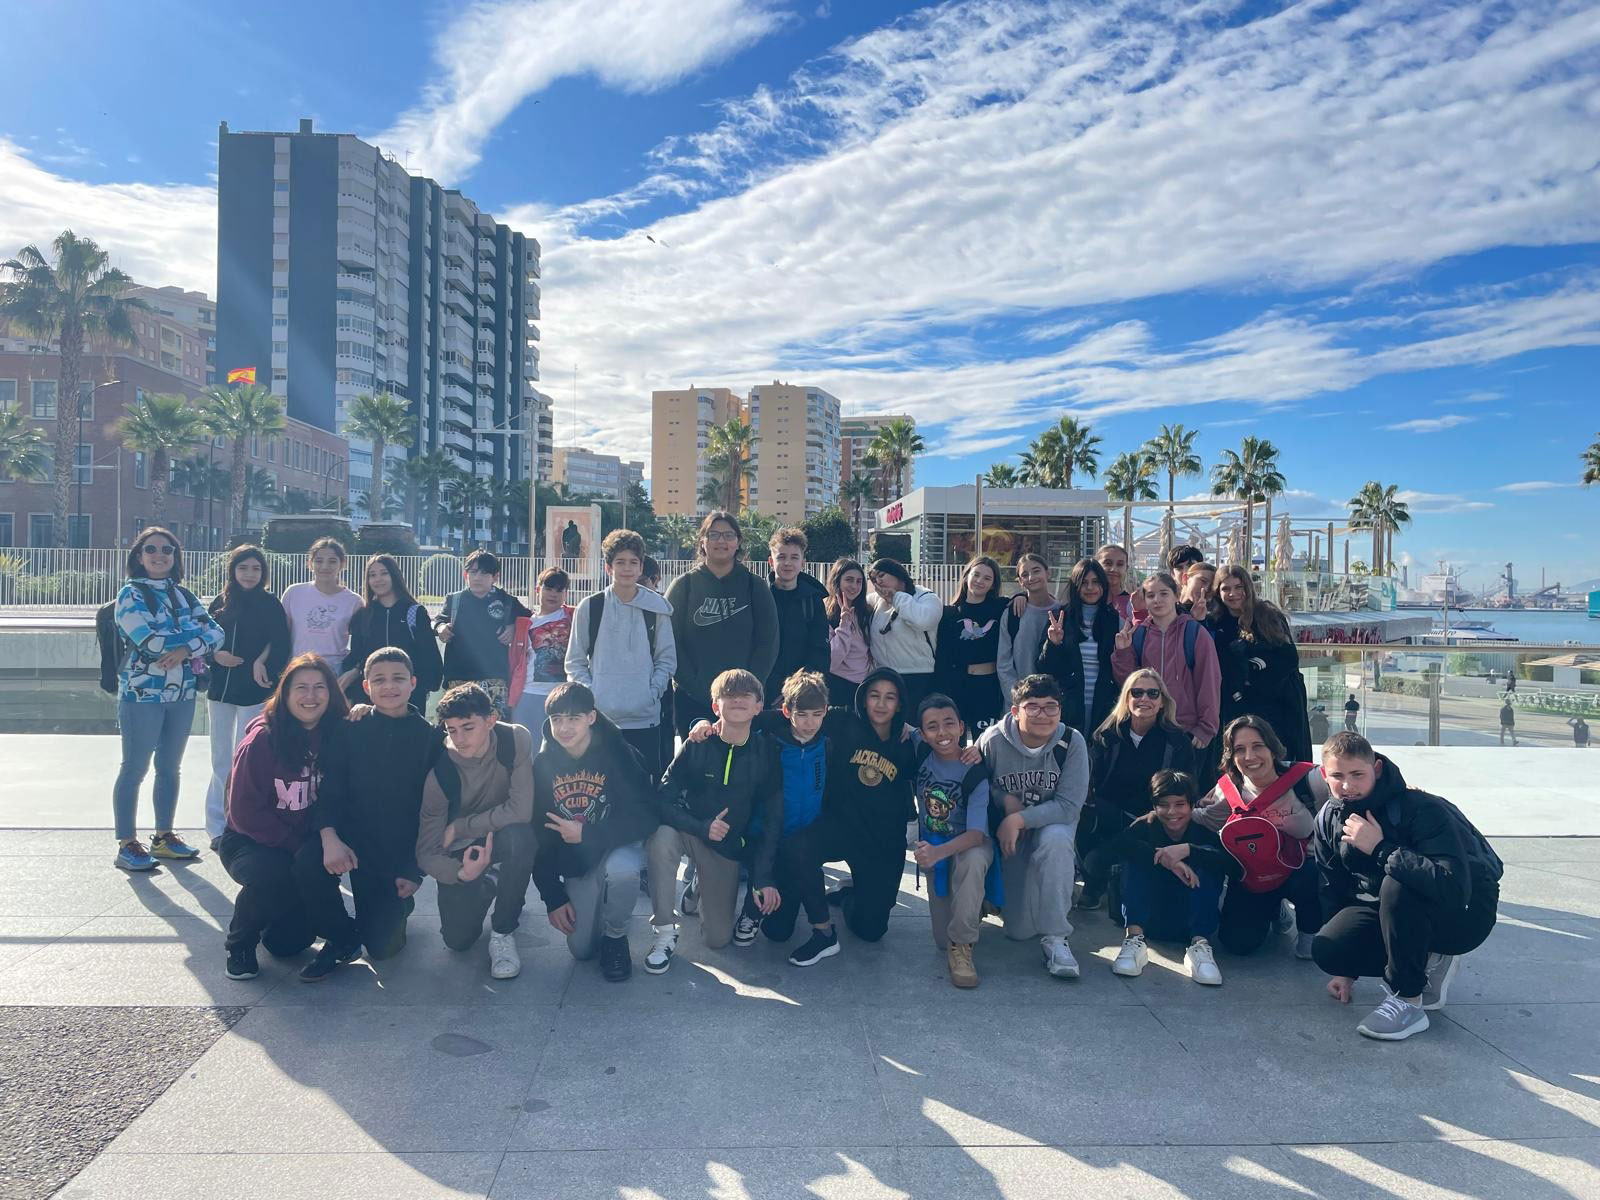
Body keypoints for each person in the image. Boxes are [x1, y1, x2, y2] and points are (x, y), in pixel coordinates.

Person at [1312, 732, 1503, 1041]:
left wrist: (1380, 848)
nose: (1347, 786)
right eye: (1337, 776)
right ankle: (1425, 959)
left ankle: (1407, 1000)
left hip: (1466, 914)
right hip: (1404, 908)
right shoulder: (1329, 819)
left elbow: (1453, 887)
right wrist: (1346, 969)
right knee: (1330, 949)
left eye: (1357, 774)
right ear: (1324, 775)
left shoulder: (1421, 807)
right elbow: (1332, 887)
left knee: (1397, 882)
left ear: (1375, 769)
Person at [298, 648, 440, 975]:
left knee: (382, 949)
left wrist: (413, 869)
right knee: (307, 861)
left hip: (391, 850)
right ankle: (339, 935)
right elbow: (330, 790)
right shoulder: (350, 728)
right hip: (349, 834)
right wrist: (330, 837)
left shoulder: (429, 738)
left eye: (398, 679)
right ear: (366, 687)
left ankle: (399, 905)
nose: (389, 687)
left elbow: (432, 812)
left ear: (413, 683)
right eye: (379, 680)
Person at [688, 671, 840, 965]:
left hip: (801, 838)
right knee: (763, 867)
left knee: (779, 932)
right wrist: (700, 724)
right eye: (802, 714)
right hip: (764, 831)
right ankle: (746, 908)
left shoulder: (827, 741)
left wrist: (909, 729)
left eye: (817, 715)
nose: (809, 722)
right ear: (786, 711)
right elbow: (730, 721)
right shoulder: (769, 738)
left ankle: (816, 927)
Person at [217, 655, 350, 981]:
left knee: (287, 944)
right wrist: (297, 845)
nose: (311, 696)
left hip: (307, 837)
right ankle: (240, 944)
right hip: (251, 841)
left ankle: (298, 923)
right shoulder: (262, 740)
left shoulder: (337, 733)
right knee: (271, 873)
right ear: (285, 694)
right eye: (301, 687)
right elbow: (244, 812)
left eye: (320, 687)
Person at [644, 669, 783, 971]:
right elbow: (662, 798)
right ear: (715, 706)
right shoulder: (698, 743)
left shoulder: (766, 753)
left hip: (725, 847)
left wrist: (763, 878)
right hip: (691, 831)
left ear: (759, 706)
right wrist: (700, 826)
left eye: (745, 695)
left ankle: (698, 885)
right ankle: (665, 932)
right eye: (728, 695)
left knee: (717, 939)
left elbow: (773, 819)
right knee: (660, 839)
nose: (737, 699)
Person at [111, 526, 224, 872]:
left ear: (176, 557)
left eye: (167, 550)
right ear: (139, 555)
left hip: (183, 692)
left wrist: (182, 645)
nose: (160, 555)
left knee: (170, 767)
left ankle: (164, 836)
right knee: (135, 767)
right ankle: (127, 842)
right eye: (151, 549)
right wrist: (189, 640)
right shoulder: (130, 595)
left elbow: (216, 634)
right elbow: (149, 641)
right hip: (141, 693)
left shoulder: (185, 596)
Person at [532, 681, 660, 982]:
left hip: (616, 847)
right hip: (577, 862)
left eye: (573, 718)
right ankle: (600, 905)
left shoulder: (620, 754)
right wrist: (553, 897)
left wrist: (589, 834)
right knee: (581, 950)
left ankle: (617, 936)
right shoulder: (543, 764)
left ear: (591, 717)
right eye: (557, 719)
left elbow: (647, 816)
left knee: (623, 870)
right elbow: (538, 834)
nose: (563, 728)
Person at [414, 683, 538, 979]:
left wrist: (460, 826)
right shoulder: (440, 774)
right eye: (451, 729)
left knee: (523, 839)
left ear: (492, 719)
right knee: (458, 942)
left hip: (503, 831)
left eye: (468, 727)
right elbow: (427, 851)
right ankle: (487, 881)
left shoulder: (515, 739)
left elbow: (521, 811)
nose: (459, 738)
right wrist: (460, 873)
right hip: (462, 852)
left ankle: (503, 931)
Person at [978, 674, 1088, 980]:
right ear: (1016, 711)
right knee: (1019, 931)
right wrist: (1005, 801)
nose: (1043, 714)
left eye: (1051, 707)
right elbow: (978, 788)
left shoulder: (1072, 742)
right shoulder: (993, 741)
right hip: (1011, 838)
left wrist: (1019, 818)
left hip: (1052, 827)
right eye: (1033, 707)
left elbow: (1069, 806)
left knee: (1055, 841)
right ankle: (1040, 895)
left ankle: (1056, 937)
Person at [1195, 714, 1328, 959]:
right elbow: (1202, 819)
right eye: (1239, 749)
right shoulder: (1228, 791)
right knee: (1237, 943)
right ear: (1231, 757)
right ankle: (1275, 910)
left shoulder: (1310, 780)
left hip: (1303, 872)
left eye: (1258, 746)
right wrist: (1157, 815)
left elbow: (1352, 788)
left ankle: (1310, 930)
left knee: (1311, 876)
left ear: (1273, 747)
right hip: (1254, 875)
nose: (1250, 757)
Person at [1078, 670, 1199, 909]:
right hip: (1109, 817)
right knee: (1083, 824)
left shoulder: (1177, 741)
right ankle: (1097, 880)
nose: (1144, 698)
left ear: (1162, 702)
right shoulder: (1106, 736)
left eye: (1153, 693)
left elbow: (1187, 788)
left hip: (1155, 820)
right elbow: (1090, 784)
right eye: (1137, 692)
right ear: (1127, 698)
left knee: (1105, 861)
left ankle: (1116, 867)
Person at [1107, 769, 1239, 986]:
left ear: (1192, 805)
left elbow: (1231, 865)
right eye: (1164, 805)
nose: (1172, 812)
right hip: (1148, 916)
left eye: (1180, 804)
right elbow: (1119, 846)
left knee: (1208, 863)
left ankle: (1200, 947)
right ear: (1154, 805)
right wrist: (1164, 858)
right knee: (1136, 860)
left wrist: (1189, 851)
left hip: (1190, 917)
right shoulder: (1145, 825)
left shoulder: (1203, 830)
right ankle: (1133, 940)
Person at [566, 530, 677, 781]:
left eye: (633, 562)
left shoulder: (657, 609)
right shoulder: (590, 607)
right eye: (620, 562)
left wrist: (652, 692)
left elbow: (666, 659)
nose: (627, 569)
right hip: (601, 719)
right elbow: (574, 661)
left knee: (642, 790)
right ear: (608, 567)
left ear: (641, 568)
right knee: (601, 787)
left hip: (645, 719)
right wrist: (592, 694)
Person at [665, 511, 779, 737]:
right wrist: (700, 689)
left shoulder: (754, 587)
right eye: (714, 534)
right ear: (702, 541)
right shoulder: (683, 586)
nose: (721, 541)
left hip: (743, 702)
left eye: (728, 535)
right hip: (694, 701)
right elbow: (670, 645)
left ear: (738, 543)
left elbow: (768, 643)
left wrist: (747, 690)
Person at [204, 544, 289, 846]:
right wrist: (217, 656)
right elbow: (204, 641)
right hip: (221, 690)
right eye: (243, 568)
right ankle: (217, 826)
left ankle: (243, 822)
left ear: (263, 572)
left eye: (255, 568)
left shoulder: (270, 604)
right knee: (220, 759)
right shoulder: (220, 602)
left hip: (255, 690)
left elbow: (280, 641)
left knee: (248, 758)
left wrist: (261, 662)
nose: (249, 574)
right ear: (233, 571)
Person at [910, 694, 994, 988]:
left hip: (970, 842)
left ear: (962, 727)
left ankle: (963, 946)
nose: (942, 733)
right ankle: (972, 906)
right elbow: (887, 718)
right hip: (936, 841)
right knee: (939, 941)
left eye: (949, 724)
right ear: (922, 734)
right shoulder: (920, 750)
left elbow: (975, 835)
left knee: (970, 862)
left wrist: (935, 853)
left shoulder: (975, 771)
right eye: (932, 727)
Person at [1110, 571, 1221, 759]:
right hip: (1147, 728)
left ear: (1176, 596)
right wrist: (1122, 652)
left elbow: (1209, 681)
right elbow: (1127, 684)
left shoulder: (1194, 633)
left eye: (1164, 594)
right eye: (1151, 595)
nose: (1157, 600)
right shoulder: (1138, 634)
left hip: (1186, 729)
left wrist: (1206, 728)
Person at [1208, 565, 1311, 762]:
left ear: (1248, 587)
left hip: (1276, 705)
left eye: (1239, 587)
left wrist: (1252, 670)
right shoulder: (1215, 622)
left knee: (1276, 758)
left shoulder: (1267, 614)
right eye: (1226, 588)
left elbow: (1288, 658)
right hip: (1235, 706)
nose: (1233, 594)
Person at [433, 549, 531, 718]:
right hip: (458, 678)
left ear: (496, 577)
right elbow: (436, 620)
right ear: (465, 574)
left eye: (485, 573)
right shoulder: (454, 600)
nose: (477, 577)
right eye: (473, 572)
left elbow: (532, 620)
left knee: (496, 729)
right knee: (460, 727)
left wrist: (514, 627)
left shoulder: (507, 601)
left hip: (495, 679)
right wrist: (441, 627)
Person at [343, 553, 442, 709]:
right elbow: (357, 657)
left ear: (394, 575)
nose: (378, 579)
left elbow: (429, 655)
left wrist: (421, 688)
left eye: (384, 573)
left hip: (409, 697)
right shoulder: (362, 616)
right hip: (372, 698)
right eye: (372, 575)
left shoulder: (415, 612)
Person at [1037, 558, 1122, 737]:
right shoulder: (1060, 617)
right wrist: (1053, 644)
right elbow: (1044, 669)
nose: (1090, 588)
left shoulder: (1114, 619)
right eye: (1084, 583)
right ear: (1075, 586)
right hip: (1068, 703)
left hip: (1105, 703)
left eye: (1096, 582)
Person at [935, 555, 1008, 734]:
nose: (980, 581)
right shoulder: (948, 613)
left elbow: (1028, 598)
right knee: (954, 744)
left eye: (987, 578)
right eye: (976, 575)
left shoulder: (1001, 607)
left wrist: (1021, 596)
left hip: (987, 688)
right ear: (966, 575)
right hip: (956, 687)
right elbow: (942, 657)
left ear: (993, 584)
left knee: (984, 744)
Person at [280, 537, 363, 692]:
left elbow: (361, 643)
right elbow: (282, 635)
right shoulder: (294, 593)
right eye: (319, 561)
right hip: (297, 669)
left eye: (332, 561)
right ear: (310, 563)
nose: (325, 566)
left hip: (334, 674)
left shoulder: (354, 601)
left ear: (343, 564)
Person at [865, 558, 943, 714]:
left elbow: (922, 621)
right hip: (885, 678)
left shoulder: (925, 597)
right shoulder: (875, 601)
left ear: (897, 574)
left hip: (919, 678)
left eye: (881, 575)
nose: (878, 581)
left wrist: (897, 597)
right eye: (873, 579)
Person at [509, 566, 574, 744]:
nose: (553, 594)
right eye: (548, 588)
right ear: (538, 590)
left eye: (559, 590)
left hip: (564, 696)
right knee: (527, 749)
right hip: (528, 694)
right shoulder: (525, 623)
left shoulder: (574, 616)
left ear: (566, 593)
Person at [764, 527, 829, 705]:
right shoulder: (759, 596)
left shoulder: (813, 601)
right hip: (761, 693)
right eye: (781, 557)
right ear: (771, 561)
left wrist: (795, 690)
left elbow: (819, 652)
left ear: (803, 562)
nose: (787, 563)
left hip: (800, 694)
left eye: (794, 557)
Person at [641, 554, 675, 769]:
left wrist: (655, 688)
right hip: (622, 696)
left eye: (642, 580)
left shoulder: (665, 609)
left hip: (661, 689)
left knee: (663, 747)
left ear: (656, 580)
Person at [824, 558, 873, 708]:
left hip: (864, 687)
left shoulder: (866, 612)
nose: (854, 586)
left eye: (859, 581)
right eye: (849, 580)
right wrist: (844, 623)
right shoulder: (824, 612)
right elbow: (832, 660)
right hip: (838, 686)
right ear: (837, 581)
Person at [1094, 543, 1143, 626]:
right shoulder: (1088, 599)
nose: (1114, 569)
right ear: (1096, 565)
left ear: (1126, 569)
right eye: (1108, 563)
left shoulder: (1133, 605)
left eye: (1120, 564)